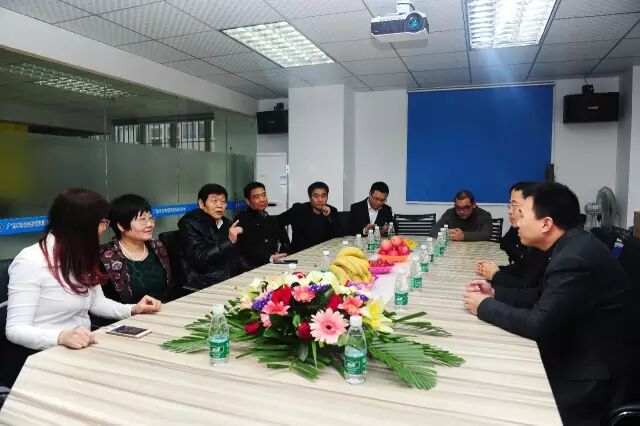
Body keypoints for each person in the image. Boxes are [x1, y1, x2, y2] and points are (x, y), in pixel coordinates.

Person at [462, 183, 639, 426]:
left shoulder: (574, 258)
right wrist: (495, 292)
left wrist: (483, 306)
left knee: (500, 399)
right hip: (576, 349)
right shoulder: (571, 245)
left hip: (590, 374)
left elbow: (537, 324)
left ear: (546, 224)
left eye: (522, 214)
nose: (517, 223)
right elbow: (541, 295)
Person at [5, 189, 161, 386]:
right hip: (45, 357)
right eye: (102, 222)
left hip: (84, 348)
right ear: (81, 225)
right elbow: (15, 329)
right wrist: (61, 337)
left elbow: (96, 303)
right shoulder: (32, 261)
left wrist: (132, 309)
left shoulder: (81, 253)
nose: (104, 228)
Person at [474, 182, 549, 302]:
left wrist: (495, 275)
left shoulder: (550, 245)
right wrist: (497, 270)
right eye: (510, 205)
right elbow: (523, 267)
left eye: (515, 205)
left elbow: (531, 290)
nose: (510, 211)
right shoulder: (532, 236)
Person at [100, 194, 174, 304]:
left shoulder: (157, 246)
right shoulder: (106, 257)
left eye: (150, 218)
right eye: (142, 219)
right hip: (126, 314)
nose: (150, 224)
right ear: (121, 226)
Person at [178, 183, 247, 289]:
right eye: (214, 201)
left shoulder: (227, 223)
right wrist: (229, 241)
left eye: (223, 201)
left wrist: (247, 273)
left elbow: (238, 255)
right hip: (205, 283)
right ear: (201, 203)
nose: (219, 205)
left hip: (230, 280)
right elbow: (199, 259)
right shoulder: (189, 224)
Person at [233, 182, 290, 269]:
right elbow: (245, 248)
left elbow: (282, 241)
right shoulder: (241, 219)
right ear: (248, 201)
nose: (262, 199)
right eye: (257, 197)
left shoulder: (270, 218)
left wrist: (281, 253)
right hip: (252, 268)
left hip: (274, 264)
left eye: (264, 195)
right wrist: (269, 257)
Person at [278, 182, 341, 253]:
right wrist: (284, 241)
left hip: (324, 252)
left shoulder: (332, 211)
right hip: (300, 253)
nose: (320, 200)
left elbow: (339, 234)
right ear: (310, 197)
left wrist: (330, 215)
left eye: (323, 196)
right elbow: (276, 222)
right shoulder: (299, 209)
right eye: (316, 196)